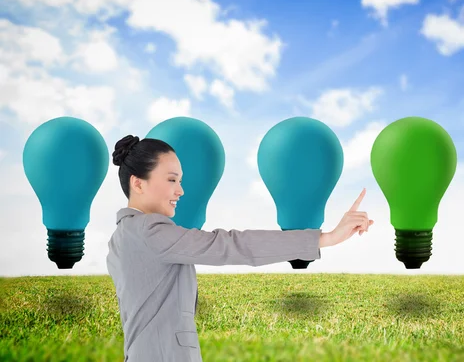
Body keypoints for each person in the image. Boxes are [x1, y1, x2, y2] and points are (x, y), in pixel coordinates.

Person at [106, 134, 374, 362]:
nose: (181, 191)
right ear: (137, 183)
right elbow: (230, 245)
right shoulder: (149, 231)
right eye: (172, 180)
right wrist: (324, 238)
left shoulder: (120, 239)